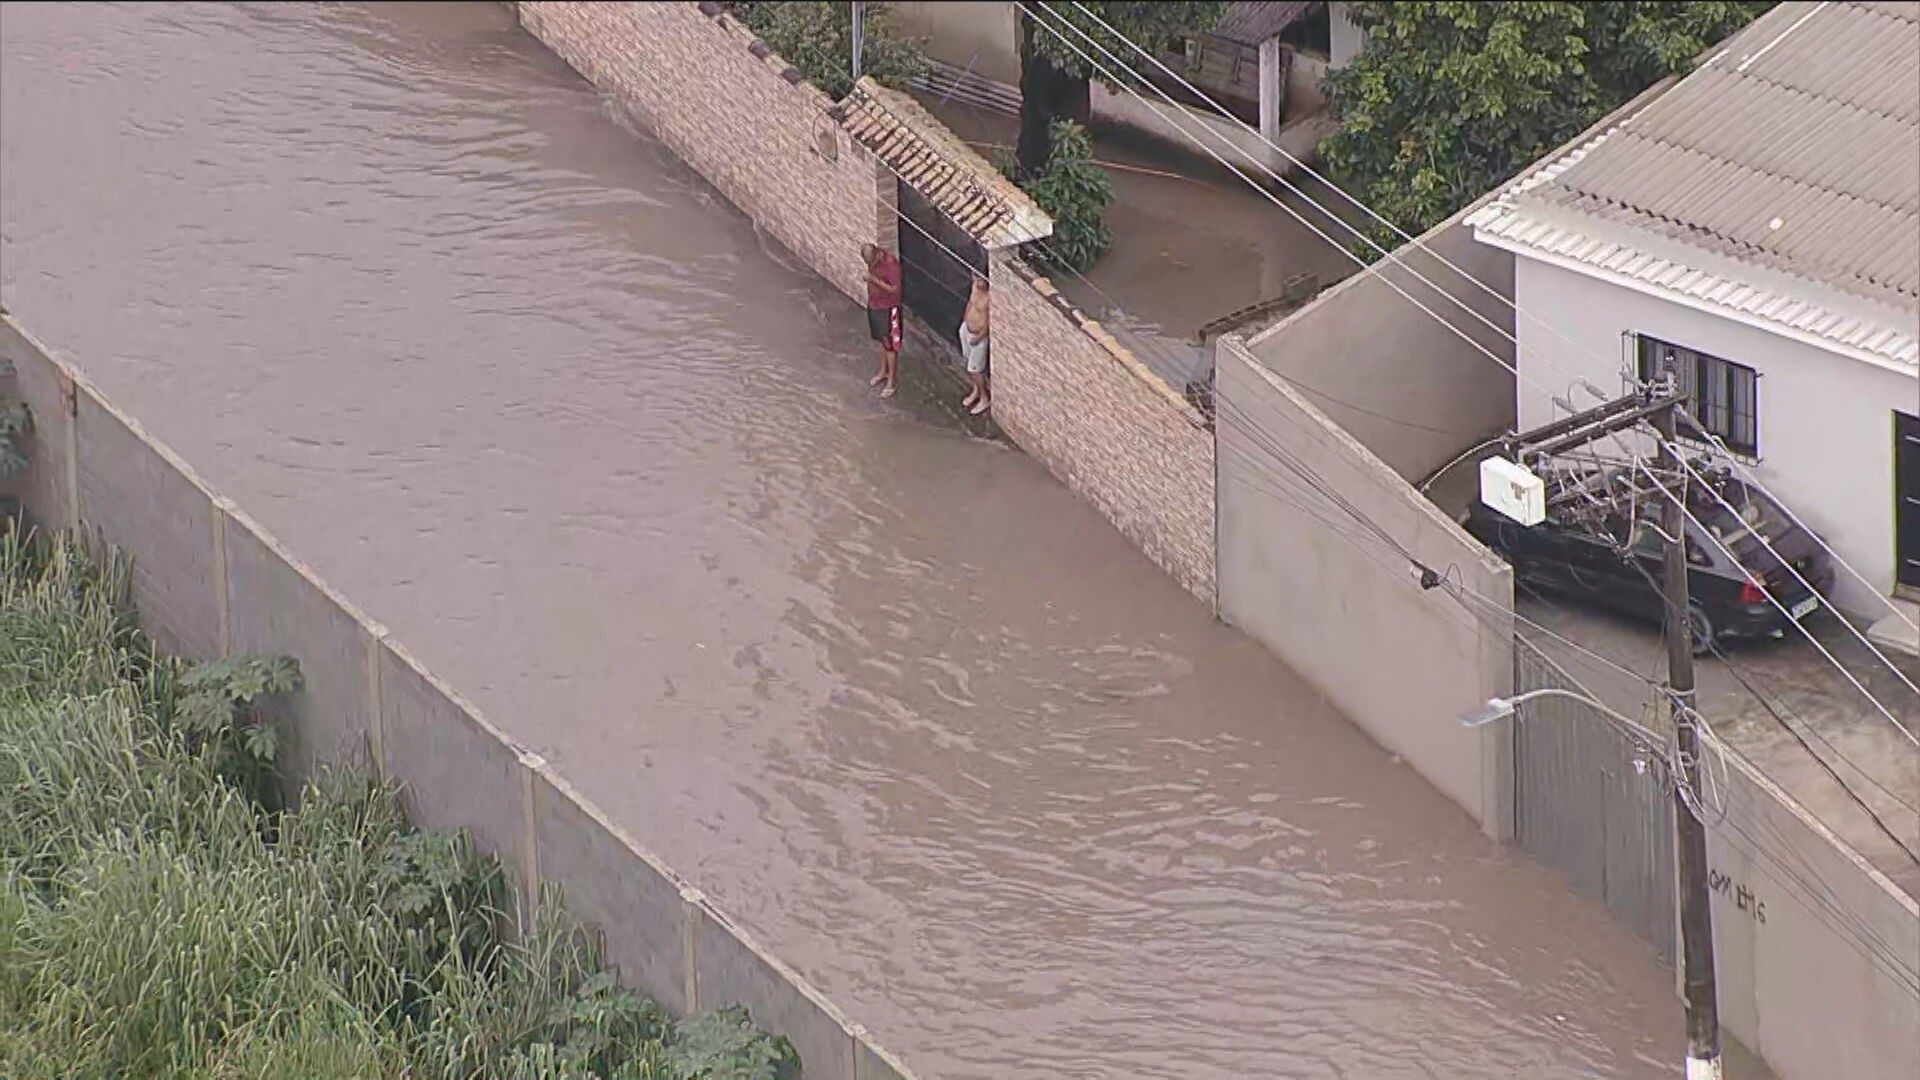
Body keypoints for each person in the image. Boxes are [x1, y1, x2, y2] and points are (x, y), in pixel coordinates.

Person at [862, 243, 903, 398]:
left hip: (889, 309)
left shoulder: (890, 264)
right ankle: (883, 371)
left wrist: (873, 280)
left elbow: (895, 289)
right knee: (882, 340)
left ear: (878, 254)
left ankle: (891, 381)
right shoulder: (873, 262)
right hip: (875, 306)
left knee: (890, 345)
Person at [959, 274, 990, 415]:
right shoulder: (975, 287)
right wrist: (965, 321)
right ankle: (976, 390)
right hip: (967, 330)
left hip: (978, 336)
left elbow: (990, 321)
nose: (978, 282)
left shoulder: (990, 297)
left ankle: (984, 398)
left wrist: (980, 336)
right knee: (967, 360)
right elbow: (970, 303)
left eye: (980, 280)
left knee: (974, 369)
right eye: (976, 278)